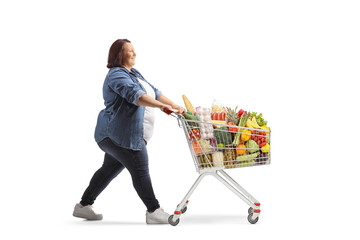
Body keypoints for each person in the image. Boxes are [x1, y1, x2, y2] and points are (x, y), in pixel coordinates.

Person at [73, 39, 184, 224]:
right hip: (120, 136)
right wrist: (161, 106)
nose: (135, 53)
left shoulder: (134, 73)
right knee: (140, 168)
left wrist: (172, 104)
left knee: (108, 170)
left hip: (121, 135)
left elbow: (154, 92)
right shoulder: (116, 75)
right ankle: (153, 210)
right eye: (130, 51)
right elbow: (136, 95)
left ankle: (83, 206)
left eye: (134, 50)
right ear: (119, 55)